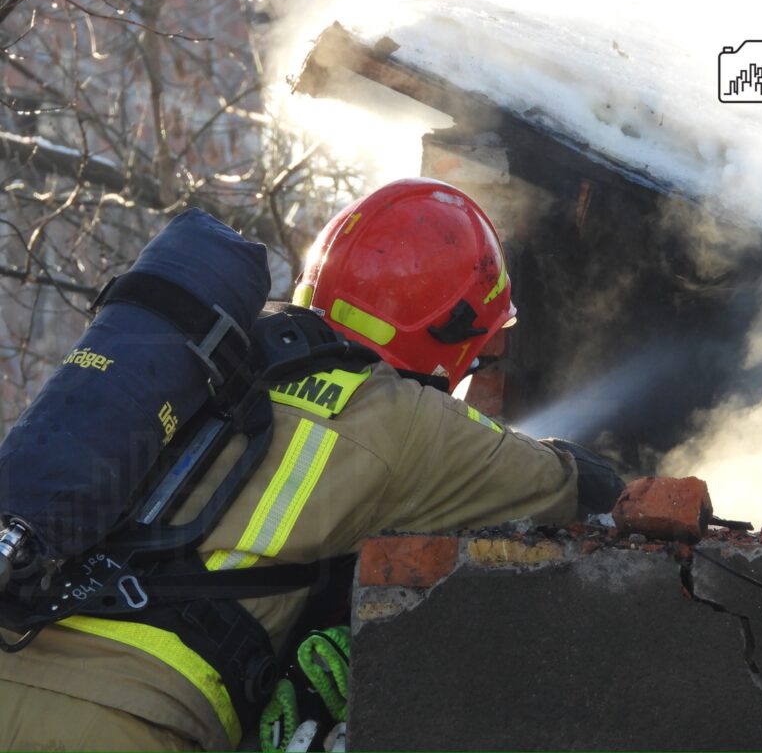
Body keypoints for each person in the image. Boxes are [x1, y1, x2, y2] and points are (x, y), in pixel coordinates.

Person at [0, 178, 622, 751]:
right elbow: (572, 487)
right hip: (127, 720)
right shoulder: (404, 417)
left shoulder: (207, 352)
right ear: (449, 333)